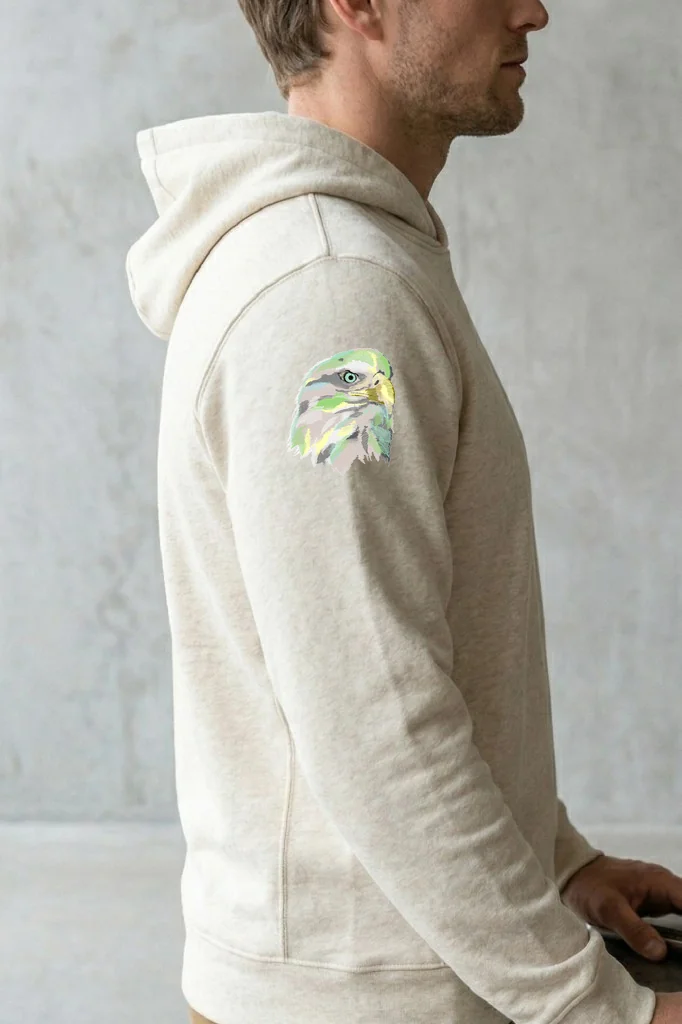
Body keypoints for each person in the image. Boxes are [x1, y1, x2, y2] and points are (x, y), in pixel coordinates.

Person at [125, 1, 682, 1022]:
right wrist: (600, 1007)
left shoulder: (353, 265)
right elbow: (372, 713)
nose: (533, 10)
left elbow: (384, 649)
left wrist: (554, 860)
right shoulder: (334, 304)